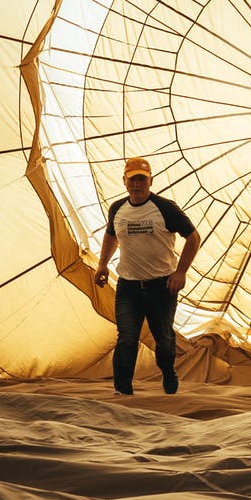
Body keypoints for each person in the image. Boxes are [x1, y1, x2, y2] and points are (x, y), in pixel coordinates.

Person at [94, 157, 200, 396]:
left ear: (150, 181)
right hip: (128, 287)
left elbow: (193, 238)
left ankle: (168, 372)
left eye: (142, 179)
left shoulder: (166, 208)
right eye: (132, 180)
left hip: (162, 287)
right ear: (124, 181)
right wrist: (102, 264)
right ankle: (123, 392)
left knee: (163, 339)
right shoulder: (117, 209)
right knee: (126, 338)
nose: (137, 185)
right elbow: (111, 236)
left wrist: (181, 272)